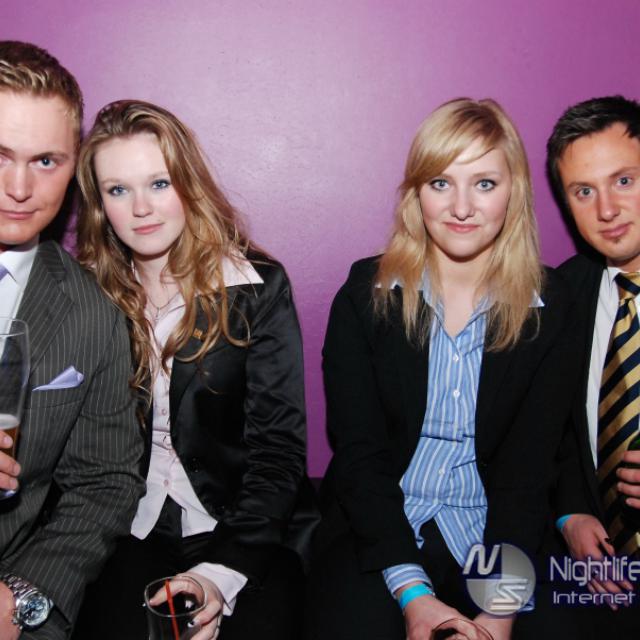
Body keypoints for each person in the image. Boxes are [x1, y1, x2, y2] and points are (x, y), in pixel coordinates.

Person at [304, 98, 579, 640]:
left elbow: (528, 471)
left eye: (484, 184)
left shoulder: (552, 307)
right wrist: (414, 594)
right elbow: (360, 455)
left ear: (514, 192)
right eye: (440, 183)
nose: (461, 207)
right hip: (382, 528)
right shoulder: (365, 296)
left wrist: (499, 610)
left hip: (496, 531)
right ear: (416, 194)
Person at [71, 99, 316, 640]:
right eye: (118, 190)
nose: (141, 208)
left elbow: (278, 453)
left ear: (188, 183)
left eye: (158, 184)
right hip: (126, 527)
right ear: (99, 204)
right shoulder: (87, 294)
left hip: (240, 527)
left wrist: (217, 575)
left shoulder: (257, 288)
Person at [0, 41, 145, 639]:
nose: (18, 187)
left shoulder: (93, 313)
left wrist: (22, 597)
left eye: (45, 161)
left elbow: (105, 483)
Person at [547, 95, 640, 638]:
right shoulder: (562, 296)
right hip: (600, 588)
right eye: (584, 191)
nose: (606, 210)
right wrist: (570, 515)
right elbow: (548, 433)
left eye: (624, 181)